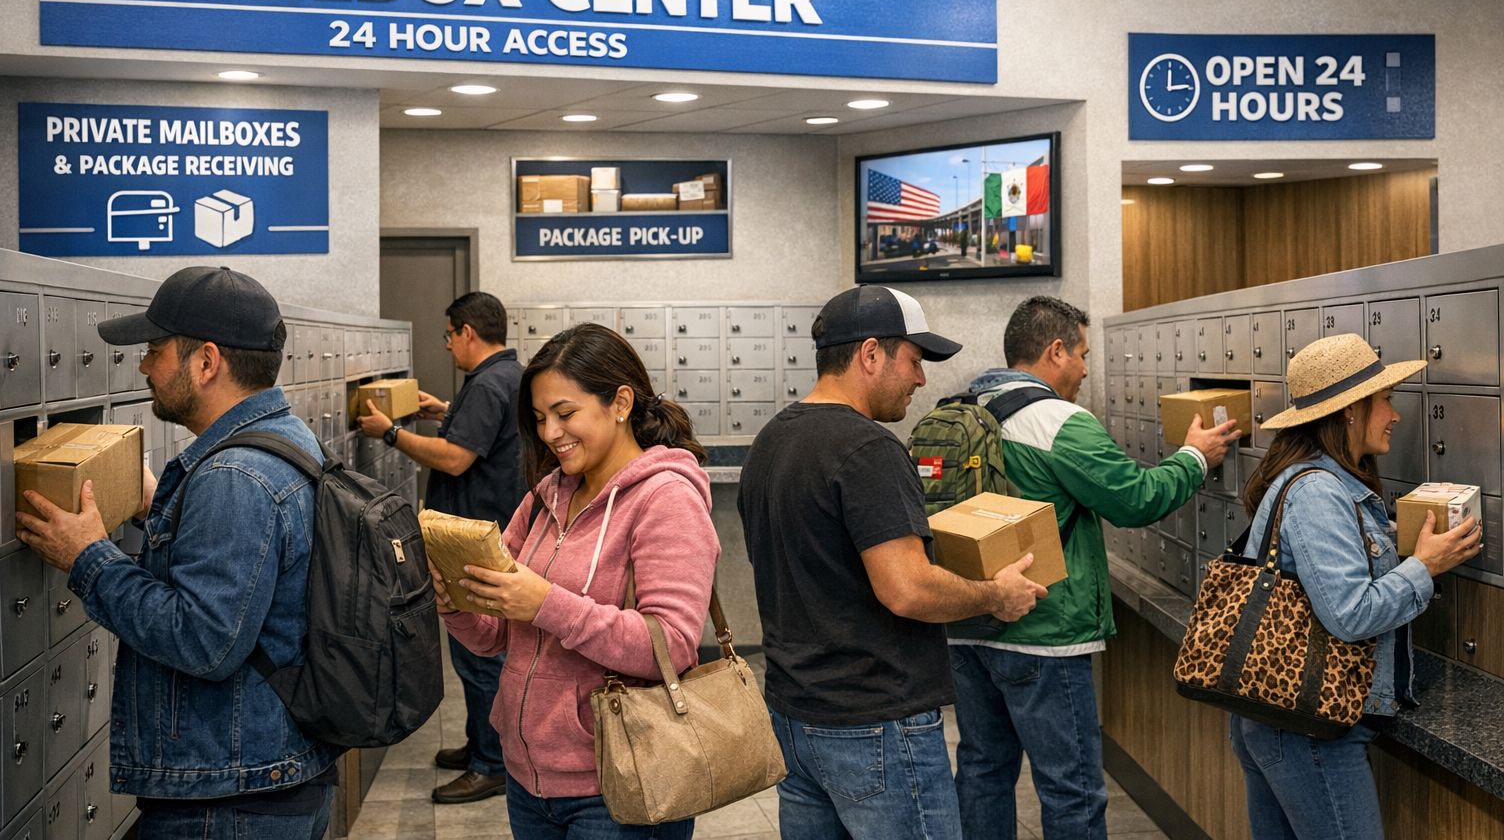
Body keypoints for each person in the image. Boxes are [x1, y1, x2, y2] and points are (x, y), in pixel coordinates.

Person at [14, 267, 341, 840]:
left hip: (230, 799)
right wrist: (160, 513)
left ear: (206, 361)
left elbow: (204, 641)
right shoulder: (284, 438)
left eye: (154, 349)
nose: (143, 367)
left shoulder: (236, 474)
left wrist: (88, 556)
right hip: (269, 778)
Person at [738, 284, 1047, 840]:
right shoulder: (869, 449)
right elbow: (907, 590)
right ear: (871, 354)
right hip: (874, 721)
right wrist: (995, 596)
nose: (922, 379)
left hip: (793, 717)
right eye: (915, 360)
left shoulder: (771, 440)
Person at [954, 296, 1240, 840]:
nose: (1087, 369)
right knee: (1073, 787)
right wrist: (1195, 456)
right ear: (1055, 351)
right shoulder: (1057, 422)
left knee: (983, 772)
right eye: (1083, 354)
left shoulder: (970, 408)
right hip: (1046, 632)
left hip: (969, 626)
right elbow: (1134, 499)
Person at [429, 322, 719, 840]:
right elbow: (497, 633)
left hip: (621, 781)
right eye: (540, 419)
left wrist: (546, 603)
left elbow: (671, 647)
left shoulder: (666, 499)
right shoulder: (546, 496)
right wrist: (455, 602)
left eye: (565, 414)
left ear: (621, 402)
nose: (549, 433)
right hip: (529, 778)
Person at [1231, 334, 1479, 840]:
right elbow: (1349, 614)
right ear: (1349, 411)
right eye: (1384, 400)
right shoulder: (1319, 491)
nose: (1395, 415)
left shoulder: (1314, 480)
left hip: (1278, 713)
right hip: (1308, 726)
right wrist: (1422, 569)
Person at [357, 291, 524, 805]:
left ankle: (491, 764)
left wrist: (391, 435)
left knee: (479, 659)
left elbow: (455, 460)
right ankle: (482, 744)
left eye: (449, 336)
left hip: (475, 536)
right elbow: (488, 434)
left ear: (467, 332)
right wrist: (444, 411)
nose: (449, 347)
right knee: (481, 656)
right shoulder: (509, 377)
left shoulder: (487, 382)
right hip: (494, 525)